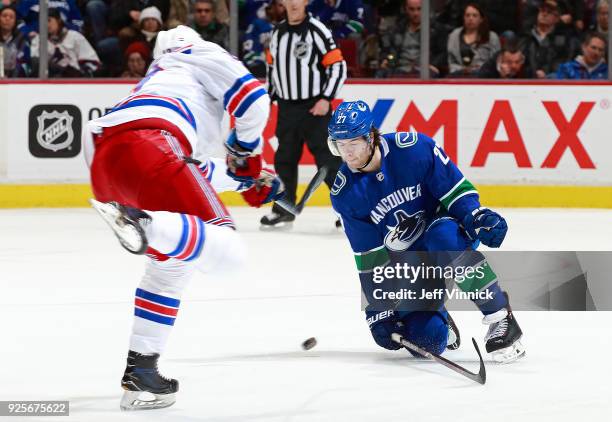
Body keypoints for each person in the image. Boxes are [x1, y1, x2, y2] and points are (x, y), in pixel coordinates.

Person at [84, 25, 283, 410]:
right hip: (152, 145)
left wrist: (246, 181)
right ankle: (142, 223)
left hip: (109, 161)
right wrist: (247, 152)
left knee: (174, 265)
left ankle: (141, 368)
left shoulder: (165, 83)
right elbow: (254, 98)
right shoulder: (197, 52)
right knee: (226, 250)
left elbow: (192, 169)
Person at [327, 100, 526, 363]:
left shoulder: (413, 149)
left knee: (440, 238)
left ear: (371, 137)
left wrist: (474, 215)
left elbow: (454, 190)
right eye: (340, 145)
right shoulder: (345, 194)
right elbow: (370, 258)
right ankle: (439, 315)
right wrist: (378, 311)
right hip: (410, 264)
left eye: (353, 144)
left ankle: (501, 317)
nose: (348, 154)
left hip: (445, 235)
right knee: (427, 341)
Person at [263, 0, 346, 229]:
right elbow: (272, 69)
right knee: (284, 160)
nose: (293, 4)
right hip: (287, 108)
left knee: (329, 162)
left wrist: (326, 99)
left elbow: (338, 66)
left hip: (314, 108)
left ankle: (348, 210)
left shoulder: (317, 30)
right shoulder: (277, 32)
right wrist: (268, 99)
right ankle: (284, 208)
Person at [376, 0, 449, 78]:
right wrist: (387, 59)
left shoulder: (437, 30)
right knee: (381, 74)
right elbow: (388, 52)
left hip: (424, 69)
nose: (416, 13)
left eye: (419, 9)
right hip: (399, 69)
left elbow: (443, 53)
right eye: (412, 9)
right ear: (406, 9)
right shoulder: (396, 30)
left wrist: (434, 64)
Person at [30, 8, 100, 77]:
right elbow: (36, 63)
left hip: (73, 81)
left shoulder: (75, 36)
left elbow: (91, 62)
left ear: (59, 20)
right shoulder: (38, 39)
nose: (46, 24)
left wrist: (82, 75)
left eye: (49, 20)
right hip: (49, 81)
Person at [519, 0, 579, 78]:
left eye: (549, 12)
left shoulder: (564, 40)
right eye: (542, 11)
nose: (544, 14)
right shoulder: (527, 36)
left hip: (553, 82)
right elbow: (521, 61)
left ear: (557, 18)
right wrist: (533, 73)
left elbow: (565, 63)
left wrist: (548, 75)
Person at [446, 2, 500, 76]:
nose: (470, 18)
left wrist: (479, 69)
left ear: (481, 19)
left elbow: (496, 62)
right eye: (467, 15)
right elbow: (451, 62)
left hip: (483, 76)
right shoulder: (454, 35)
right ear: (463, 18)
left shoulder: (492, 37)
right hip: (459, 76)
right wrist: (463, 70)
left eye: (474, 16)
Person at [0, 5, 31, 77]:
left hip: (16, 78)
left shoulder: (22, 38)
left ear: (15, 21)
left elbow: (25, 60)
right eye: (4, 16)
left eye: (11, 17)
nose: (7, 19)